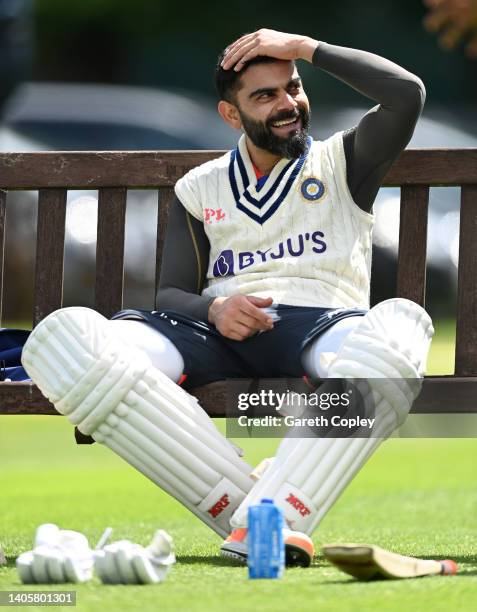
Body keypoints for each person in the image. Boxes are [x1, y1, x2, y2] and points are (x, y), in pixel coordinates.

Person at [21, 29, 434, 568]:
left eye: (293, 87)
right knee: (73, 346)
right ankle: (261, 510)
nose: (287, 105)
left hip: (320, 323)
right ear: (230, 114)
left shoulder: (345, 161)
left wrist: (305, 47)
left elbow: (407, 93)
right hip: (214, 331)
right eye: (265, 96)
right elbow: (170, 293)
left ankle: (267, 513)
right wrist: (215, 308)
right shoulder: (201, 185)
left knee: (396, 341)